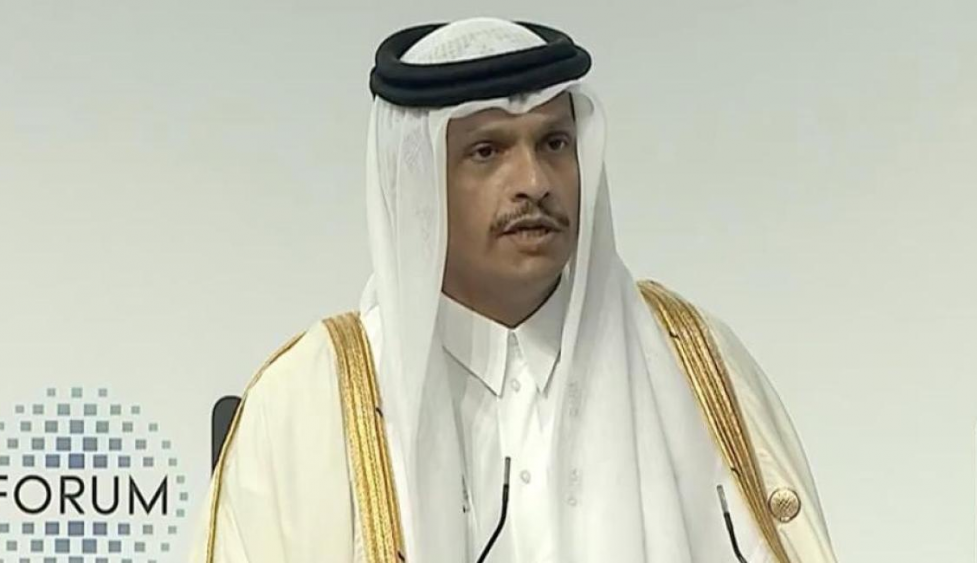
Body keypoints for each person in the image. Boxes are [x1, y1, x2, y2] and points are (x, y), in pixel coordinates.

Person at [189, 17, 838, 563]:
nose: (534, 181)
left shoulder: (691, 362)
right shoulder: (307, 402)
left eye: (554, 143)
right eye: (487, 151)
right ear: (418, 184)